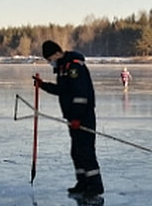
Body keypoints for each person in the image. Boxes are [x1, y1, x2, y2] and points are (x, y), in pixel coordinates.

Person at [35, 40, 104, 197]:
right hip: (73, 118)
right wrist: (43, 85)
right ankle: (83, 182)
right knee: (76, 151)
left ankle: (95, 185)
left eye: (50, 58)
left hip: (83, 117)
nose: (49, 62)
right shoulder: (62, 68)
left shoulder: (73, 67)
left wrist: (78, 118)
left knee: (86, 151)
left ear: (57, 53)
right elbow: (63, 90)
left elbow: (80, 94)